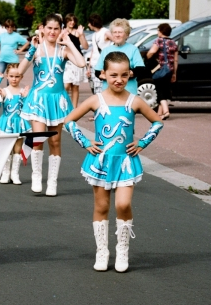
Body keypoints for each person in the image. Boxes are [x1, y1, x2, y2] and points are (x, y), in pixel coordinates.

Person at [64, 51, 163, 272]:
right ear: (103, 75)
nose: (119, 80)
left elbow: (157, 123)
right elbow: (69, 121)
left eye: (124, 75)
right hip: (100, 161)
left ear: (129, 75)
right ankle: (102, 251)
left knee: (123, 204)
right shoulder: (95, 100)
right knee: (101, 206)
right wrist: (85, 141)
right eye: (113, 75)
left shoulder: (135, 101)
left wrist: (142, 144)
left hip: (126, 161)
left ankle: (123, 249)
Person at [18, 14, 85, 196]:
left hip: (57, 100)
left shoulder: (63, 51)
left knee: (55, 141)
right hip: (38, 100)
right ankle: (37, 175)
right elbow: (20, 70)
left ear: (60, 30)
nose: (52, 32)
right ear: (43, 28)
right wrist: (31, 49)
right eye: (49, 28)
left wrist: (68, 41)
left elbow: (81, 63)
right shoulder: (37, 49)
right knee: (38, 138)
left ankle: (53, 181)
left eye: (56, 29)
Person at [0, 63, 30, 184]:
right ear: (7, 76)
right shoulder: (4, 91)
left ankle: (15, 173)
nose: (14, 79)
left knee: (17, 148)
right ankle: (5, 173)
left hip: (19, 122)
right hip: (6, 122)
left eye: (17, 76)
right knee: (7, 148)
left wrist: (25, 97)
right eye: (11, 76)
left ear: (21, 77)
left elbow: (27, 109)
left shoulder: (23, 91)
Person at [94, 18, 144, 96]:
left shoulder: (133, 49)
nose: (117, 35)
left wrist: (129, 73)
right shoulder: (105, 50)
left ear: (127, 35)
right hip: (108, 92)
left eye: (120, 32)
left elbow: (140, 69)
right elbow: (97, 72)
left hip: (128, 91)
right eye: (115, 32)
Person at [146, 23, 178, 120]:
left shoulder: (158, 41)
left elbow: (151, 52)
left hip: (160, 69)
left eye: (158, 30)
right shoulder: (174, 43)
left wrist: (148, 56)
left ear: (160, 31)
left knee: (160, 91)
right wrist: (174, 74)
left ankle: (166, 111)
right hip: (169, 70)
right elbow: (176, 60)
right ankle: (159, 114)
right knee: (164, 90)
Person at [62, 14, 88, 109]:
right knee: (66, 85)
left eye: (74, 20)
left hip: (77, 59)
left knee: (75, 86)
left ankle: (74, 109)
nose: (72, 22)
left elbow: (85, 46)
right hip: (66, 60)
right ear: (66, 21)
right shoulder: (62, 31)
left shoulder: (78, 32)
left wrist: (81, 35)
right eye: (70, 20)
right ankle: (63, 106)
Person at [86, 14, 110, 95]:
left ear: (93, 23)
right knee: (95, 88)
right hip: (94, 65)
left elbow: (116, 41)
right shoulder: (94, 35)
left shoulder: (105, 32)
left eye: (89, 23)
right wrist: (89, 67)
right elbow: (93, 51)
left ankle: (101, 105)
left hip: (102, 65)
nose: (88, 25)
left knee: (101, 88)